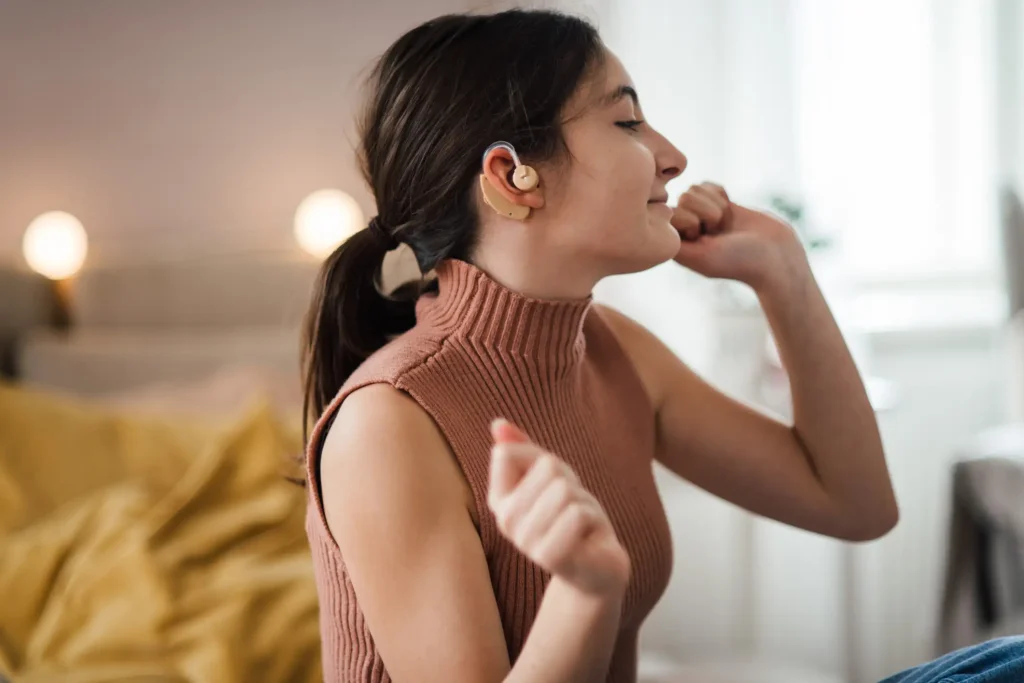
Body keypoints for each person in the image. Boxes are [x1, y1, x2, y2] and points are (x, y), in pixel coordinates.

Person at [299, 9, 1023, 683]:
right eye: (627, 122)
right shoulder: (388, 424)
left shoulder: (615, 352)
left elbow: (857, 504)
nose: (672, 158)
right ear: (511, 178)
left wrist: (785, 275)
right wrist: (584, 594)